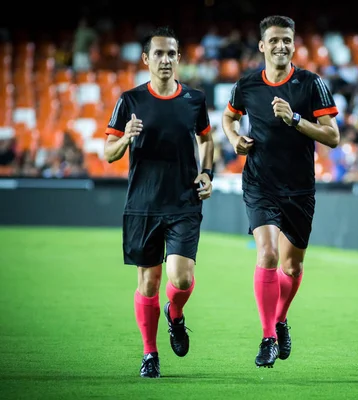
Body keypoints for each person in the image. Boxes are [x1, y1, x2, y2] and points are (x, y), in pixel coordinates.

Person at [221, 15, 340, 368]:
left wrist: (295, 120)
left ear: (294, 44)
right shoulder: (247, 85)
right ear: (262, 46)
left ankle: (280, 318)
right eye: (274, 40)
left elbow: (333, 136)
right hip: (259, 183)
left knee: (293, 265)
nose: (281, 46)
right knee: (269, 254)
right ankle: (268, 336)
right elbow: (228, 118)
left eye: (286, 40)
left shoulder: (311, 84)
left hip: (300, 188)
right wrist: (234, 140)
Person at [104, 26, 214, 378]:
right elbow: (108, 152)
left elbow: (207, 140)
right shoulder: (129, 101)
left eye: (171, 54)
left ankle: (176, 314)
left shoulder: (194, 100)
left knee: (181, 280)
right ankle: (150, 354)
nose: (165, 60)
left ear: (178, 58)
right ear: (146, 59)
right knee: (148, 283)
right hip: (143, 203)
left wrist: (208, 172)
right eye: (159, 54)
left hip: (183, 201)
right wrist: (126, 140)